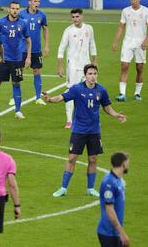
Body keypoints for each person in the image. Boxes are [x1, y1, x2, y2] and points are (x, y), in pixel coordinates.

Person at [42, 64, 126, 198]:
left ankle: (90, 188)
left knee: (93, 159)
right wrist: (50, 99)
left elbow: (106, 107)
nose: (93, 76)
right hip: (79, 131)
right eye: (90, 74)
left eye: (95, 74)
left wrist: (116, 115)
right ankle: (63, 188)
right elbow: (62, 97)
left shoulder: (101, 90)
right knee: (72, 158)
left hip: (94, 131)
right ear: (85, 75)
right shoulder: (77, 89)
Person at [0, 1, 31, 119]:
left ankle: (17, 111)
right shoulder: (1, 22)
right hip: (3, 59)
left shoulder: (23, 23)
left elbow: (28, 41)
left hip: (17, 59)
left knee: (16, 83)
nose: (15, 10)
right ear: (8, 9)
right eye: (13, 8)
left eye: (17, 8)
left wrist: (28, 57)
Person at [112, 0, 148, 102]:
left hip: (140, 43)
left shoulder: (146, 11)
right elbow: (121, 27)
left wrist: (146, 41)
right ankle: (122, 93)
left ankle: (137, 93)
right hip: (128, 42)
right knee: (124, 66)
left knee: (139, 67)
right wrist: (116, 41)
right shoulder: (125, 11)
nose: (133, 1)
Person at [58, 8, 97, 129]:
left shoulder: (89, 28)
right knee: (71, 90)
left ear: (82, 16)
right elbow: (61, 48)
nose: (75, 19)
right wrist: (60, 65)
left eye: (77, 16)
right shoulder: (68, 31)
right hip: (73, 66)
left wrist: (95, 61)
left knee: (89, 90)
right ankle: (69, 119)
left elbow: (92, 45)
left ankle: (87, 117)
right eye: (73, 17)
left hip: (86, 64)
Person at [17, 0, 49, 106]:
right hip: (22, 49)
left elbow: (45, 30)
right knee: (18, 72)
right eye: (35, 1)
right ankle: (14, 98)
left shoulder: (42, 15)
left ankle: (38, 97)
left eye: (38, 1)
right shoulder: (21, 14)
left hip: (36, 49)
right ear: (29, 2)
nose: (37, 3)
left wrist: (46, 46)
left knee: (37, 71)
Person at [97, 152, 130, 247]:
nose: (128, 165)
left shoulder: (119, 180)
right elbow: (109, 209)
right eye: (127, 162)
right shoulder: (109, 183)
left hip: (115, 232)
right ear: (123, 164)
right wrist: (122, 232)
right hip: (108, 233)